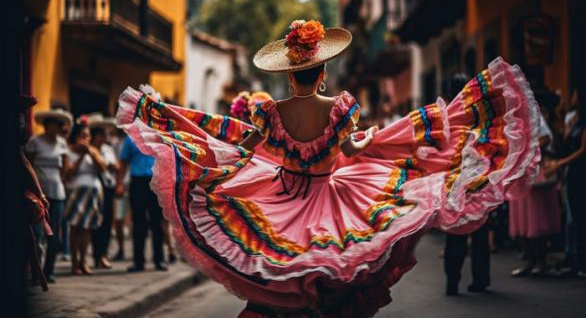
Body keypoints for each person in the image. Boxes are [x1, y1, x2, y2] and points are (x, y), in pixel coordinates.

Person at [116, 20, 540, 317]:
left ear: (289, 75)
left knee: (281, 266)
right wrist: (381, 140)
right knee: (331, 270)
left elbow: (243, 148)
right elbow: (353, 152)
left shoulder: (269, 111)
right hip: (331, 197)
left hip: (279, 196)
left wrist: (210, 159)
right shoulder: (340, 108)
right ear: (322, 74)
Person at [442, 73, 491, 295]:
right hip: (478, 177)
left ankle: (452, 280)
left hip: (454, 180)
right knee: (479, 230)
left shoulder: (445, 115)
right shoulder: (478, 112)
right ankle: (480, 279)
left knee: (455, 231)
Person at [508, 100, 561, 277]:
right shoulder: (511, 119)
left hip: (533, 174)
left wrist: (525, 149)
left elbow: (546, 138)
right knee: (522, 219)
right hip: (519, 174)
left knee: (536, 217)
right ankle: (530, 261)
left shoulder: (532, 114)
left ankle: (540, 261)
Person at [25, 108, 73, 283]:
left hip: (57, 193)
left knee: (54, 233)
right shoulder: (35, 142)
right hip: (38, 193)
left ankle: (49, 270)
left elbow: (65, 170)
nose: (56, 128)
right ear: (47, 125)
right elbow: (28, 165)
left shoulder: (62, 144)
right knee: (37, 234)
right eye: (54, 124)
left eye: (59, 125)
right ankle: (36, 272)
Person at [115, 132, 167, 272]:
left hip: (156, 182)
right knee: (139, 223)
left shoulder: (159, 136)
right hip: (138, 182)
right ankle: (139, 262)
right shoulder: (131, 138)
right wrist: (119, 183)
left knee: (157, 222)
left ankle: (159, 259)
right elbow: (123, 161)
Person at [549, 87, 586, 276]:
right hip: (572, 173)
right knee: (574, 218)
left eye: (573, 94)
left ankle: (581, 261)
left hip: (581, 173)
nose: (571, 97)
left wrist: (560, 163)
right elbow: (565, 143)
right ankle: (574, 257)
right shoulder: (575, 120)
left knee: (579, 216)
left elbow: (582, 151)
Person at [64, 119, 106, 275]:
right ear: (75, 137)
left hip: (93, 193)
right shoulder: (69, 152)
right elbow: (69, 173)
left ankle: (84, 261)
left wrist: (90, 153)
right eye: (82, 136)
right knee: (75, 228)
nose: (86, 139)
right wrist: (81, 156)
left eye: (87, 136)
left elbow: (102, 168)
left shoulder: (94, 151)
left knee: (87, 228)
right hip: (76, 192)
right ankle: (74, 263)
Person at [88, 113, 118, 269]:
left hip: (108, 187)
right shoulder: (89, 149)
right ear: (96, 135)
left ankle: (103, 254)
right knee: (95, 223)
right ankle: (96, 254)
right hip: (94, 186)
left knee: (107, 221)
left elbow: (116, 166)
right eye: (102, 134)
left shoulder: (107, 149)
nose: (105, 136)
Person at [111, 128, 130, 261]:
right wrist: (119, 183)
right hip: (122, 183)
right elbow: (118, 165)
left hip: (136, 182)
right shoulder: (116, 143)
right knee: (119, 218)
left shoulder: (135, 139)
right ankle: (121, 248)